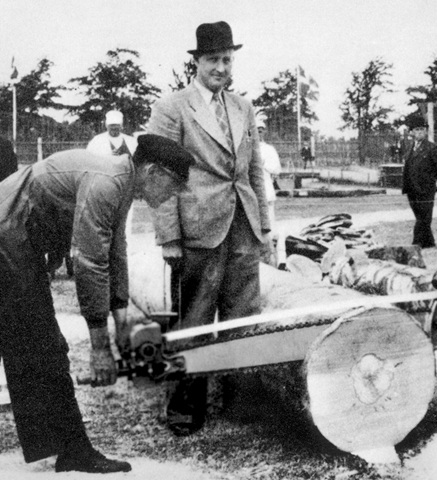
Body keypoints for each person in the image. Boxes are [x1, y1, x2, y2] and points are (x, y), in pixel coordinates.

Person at [0, 134, 194, 473]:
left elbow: (115, 253)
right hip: (7, 239)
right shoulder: (107, 183)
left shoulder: (120, 181)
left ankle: (69, 448)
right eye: (175, 184)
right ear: (153, 172)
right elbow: (90, 262)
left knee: (35, 346)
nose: (175, 194)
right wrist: (100, 347)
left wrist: (122, 324)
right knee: (44, 346)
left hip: (14, 239)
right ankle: (73, 450)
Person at [146, 21, 270, 436]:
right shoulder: (172, 107)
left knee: (242, 317)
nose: (221, 67)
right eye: (213, 59)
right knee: (193, 320)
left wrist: (264, 228)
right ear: (196, 62)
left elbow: (254, 171)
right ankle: (186, 408)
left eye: (227, 60)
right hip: (196, 230)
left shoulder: (243, 107)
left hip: (242, 228)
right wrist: (169, 237)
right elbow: (159, 175)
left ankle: (240, 401)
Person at [401, 116, 437, 248]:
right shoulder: (409, 147)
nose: (420, 132)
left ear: (426, 131)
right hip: (411, 189)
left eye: (422, 129)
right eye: (417, 130)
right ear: (412, 132)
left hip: (426, 189)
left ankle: (417, 242)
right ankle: (429, 242)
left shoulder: (432, 148)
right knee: (419, 215)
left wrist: (429, 180)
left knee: (425, 216)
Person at [256, 117, 282, 228]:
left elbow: (276, 169)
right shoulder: (245, 148)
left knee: (268, 218)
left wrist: (262, 164)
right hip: (250, 190)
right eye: (256, 130)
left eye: (260, 130)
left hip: (265, 187)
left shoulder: (269, 149)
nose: (258, 133)